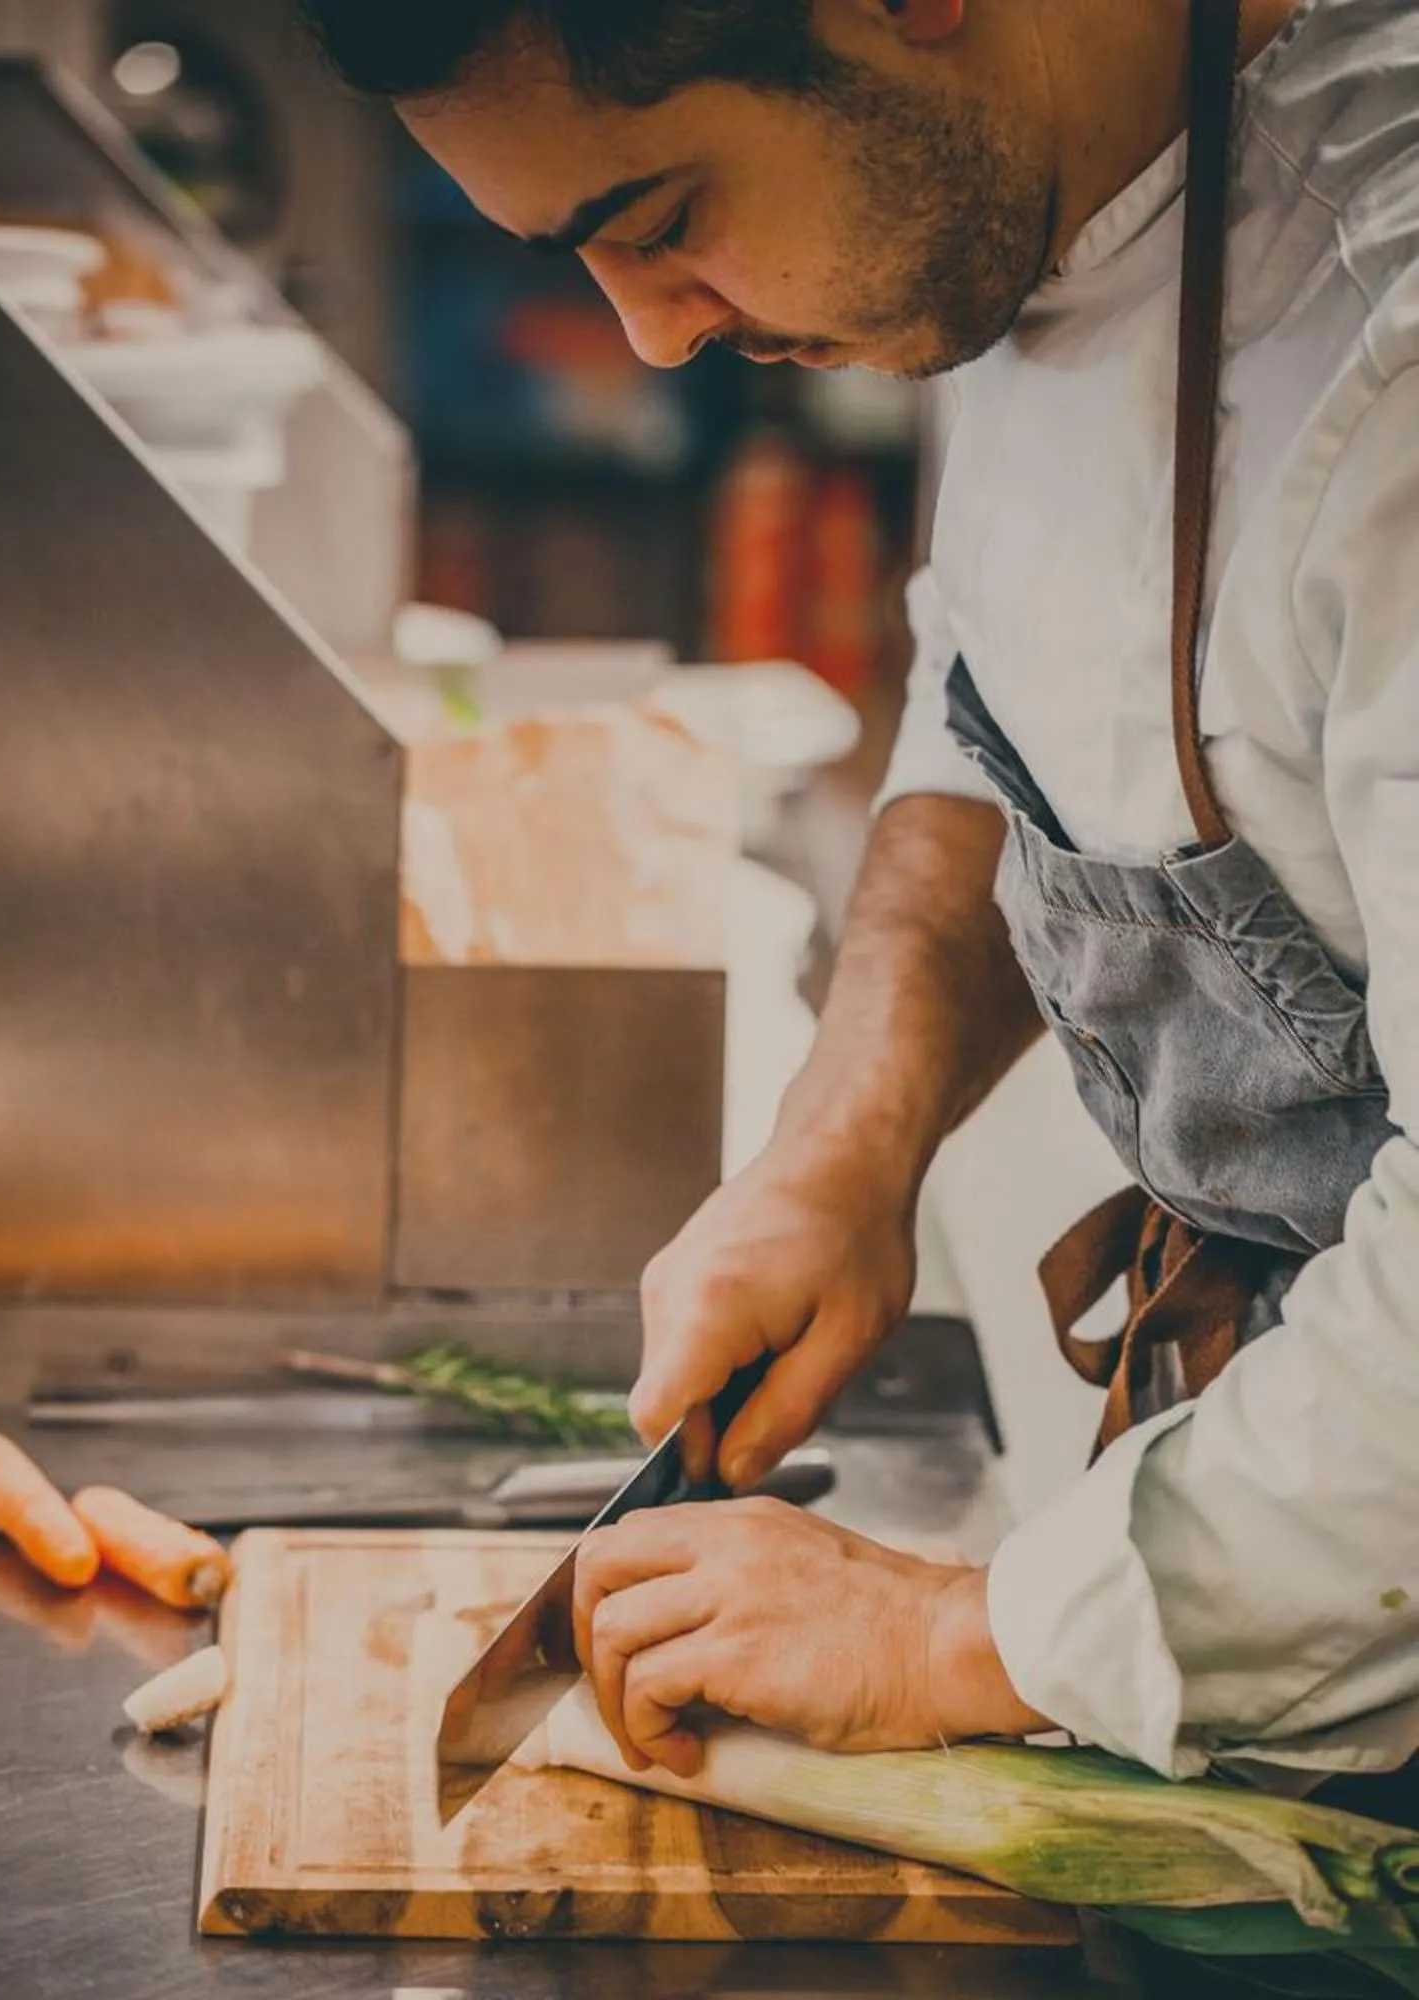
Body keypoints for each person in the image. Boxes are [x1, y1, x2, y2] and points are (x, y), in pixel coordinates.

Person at [301, 0, 1419, 1792]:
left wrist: (959, 1637)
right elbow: (1002, 705)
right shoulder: (1032, 191)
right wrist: (843, 1147)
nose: (652, 337)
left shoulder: (1390, 364)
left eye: (660, 220)